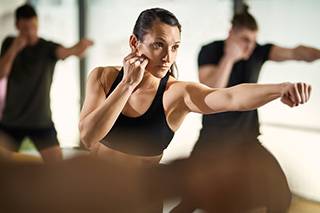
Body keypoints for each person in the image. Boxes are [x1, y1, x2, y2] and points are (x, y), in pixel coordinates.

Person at [79, 8, 311, 212]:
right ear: (134, 43)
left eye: (175, 47)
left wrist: (281, 88)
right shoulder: (103, 78)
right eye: (158, 45)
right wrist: (127, 84)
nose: (167, 57)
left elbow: (231, 97)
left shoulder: (177, 94)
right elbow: (89, 137)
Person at [172, 4, 319, 213]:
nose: (250, 47)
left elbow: (295, 52)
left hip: (247, 141)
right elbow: (212, 89)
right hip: (212, 141)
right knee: (188, 202)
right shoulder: (210, 50)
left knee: (281, 197)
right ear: (231, 33)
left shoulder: (257, 51)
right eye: (245, 40)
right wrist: (230, 57)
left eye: (254, 41)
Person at [0, 4, 93, 162]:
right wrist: (15, 48)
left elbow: (65, 52)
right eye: (25, 28)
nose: (30, 32)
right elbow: (2, 73)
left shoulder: (46, 47)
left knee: (56, 166)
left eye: (33, 27)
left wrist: (78, 48)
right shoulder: (9, 43)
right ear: (17, 26)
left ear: (37, 24)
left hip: (40, 121)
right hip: (12, 120)